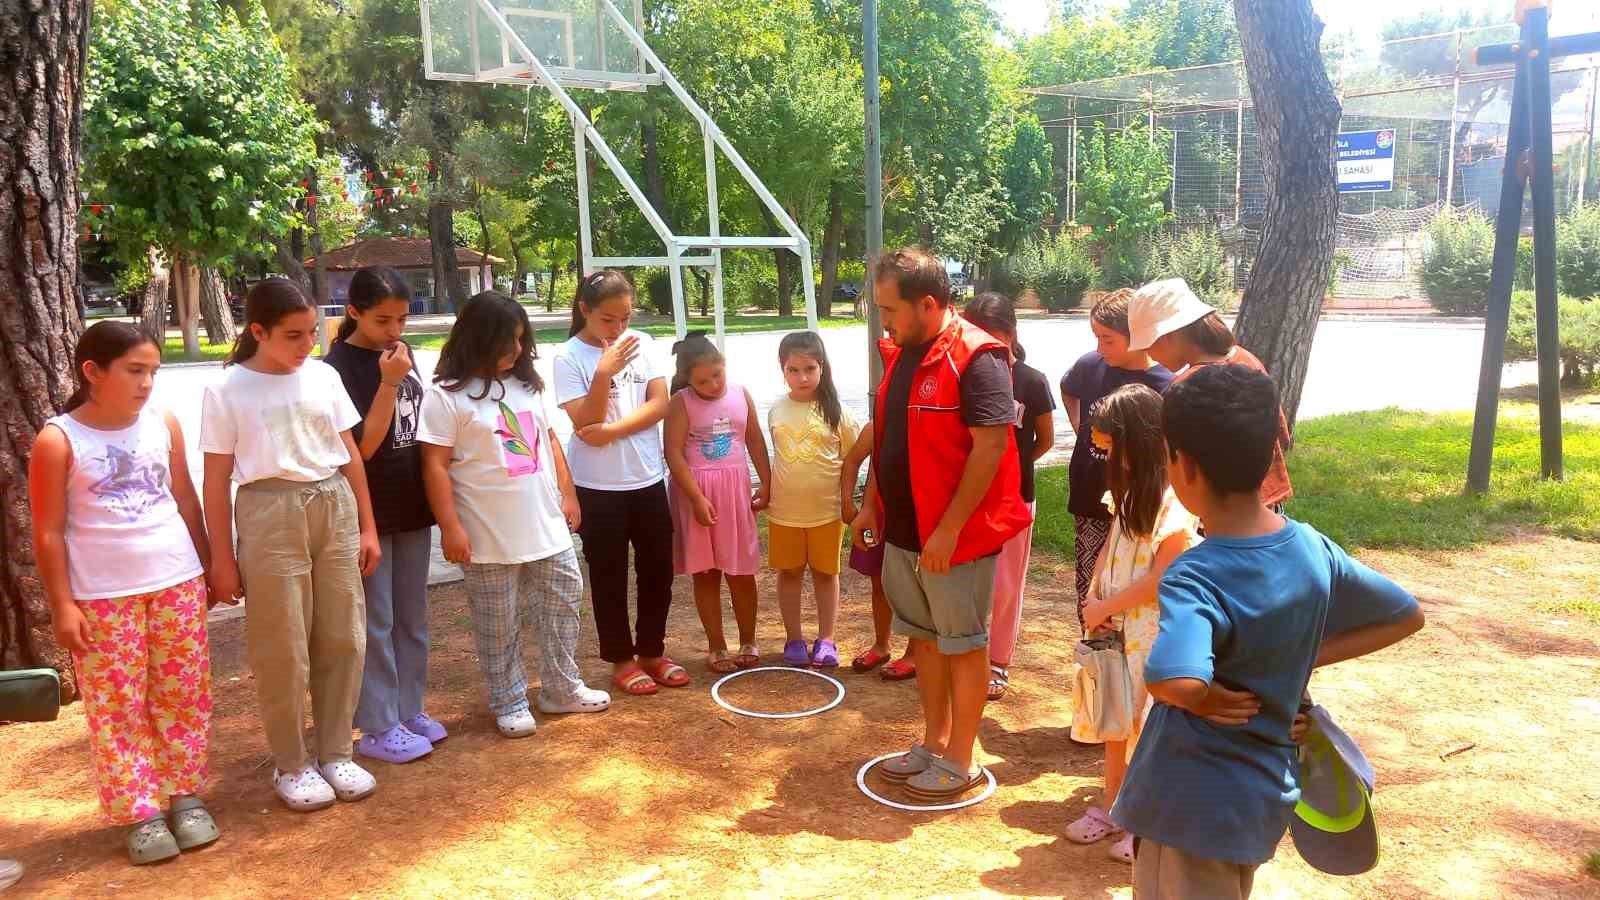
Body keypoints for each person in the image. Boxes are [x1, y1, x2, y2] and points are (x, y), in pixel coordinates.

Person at [1110, 365, 1425, 898]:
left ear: (1182, 466)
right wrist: (1298, 656)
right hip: (1260, 795)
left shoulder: (1196, 571)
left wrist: (1203, 699)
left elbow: (1171, 677)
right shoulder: (1311, 546)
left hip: (1188, 806)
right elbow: (1405, 614)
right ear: (1268, 456)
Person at [29, 322, 220, 864]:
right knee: (118, 707)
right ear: (93, 372)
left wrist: (207, 565)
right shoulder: (59, 438)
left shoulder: (163, 423)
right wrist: (63, 605)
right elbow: (47, 531)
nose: (146, 384)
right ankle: (138, 808)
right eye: (134, 371)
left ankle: (185, 794)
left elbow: (184, 497)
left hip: (175, 581)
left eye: (153, 372)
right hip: (101, 596)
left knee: (182, 695)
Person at [850, 247, 1031, 801]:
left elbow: (992, 446)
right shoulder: (902, 350)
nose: (883, 320)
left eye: (888, 309)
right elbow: (891, 440)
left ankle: (963, 757)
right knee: (925, 642)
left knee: (962, 644)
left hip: (955, 539)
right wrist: (869, 503)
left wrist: (950, 529)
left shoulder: (978, 358)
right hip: (905, 532)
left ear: (927, 304)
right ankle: (934, 741)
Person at [201, 278, 382, 812]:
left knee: (344, 635)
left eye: (311, 333)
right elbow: (215, 480)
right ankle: (292, 763)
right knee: (283, 645)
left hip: (333, 504)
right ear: (258, 331)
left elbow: (349, 454)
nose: (306, 346)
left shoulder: (323, 375)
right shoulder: (227, 389)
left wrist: (367, 526)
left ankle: (334, 751)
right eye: (293, 336)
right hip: (268, 510)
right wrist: (221, 558)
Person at [419, 291, 609, 738]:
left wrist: (568, 494)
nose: (516, 351)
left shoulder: (528, 385)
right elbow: (433, 466)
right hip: (486, 533)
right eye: (506, 342)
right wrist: (450, 527)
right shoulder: (447, 397)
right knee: (496, 620)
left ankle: (561, 689)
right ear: (476, 339)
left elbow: (550, 441)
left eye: (522, 341)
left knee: (563, 600)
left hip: (544, 523)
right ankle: (508, 698)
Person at [1063, 384, 1200, 865]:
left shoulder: (1174, 508)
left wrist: (1106, 607)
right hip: (1116, 631)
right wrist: (1094, 596)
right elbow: (1110, 547)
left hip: (1150, 637)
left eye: (1110, 447)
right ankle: (1113, 805)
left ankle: (1145, 820)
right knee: (1116, 719)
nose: (1106, 458)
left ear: (1137, 442)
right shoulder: (1126, 495)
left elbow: (1164, 579)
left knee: (1145, 725)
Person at [324, 266, 445, 764]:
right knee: (376, 619)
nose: (394, 332)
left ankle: (407, 707)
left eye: (401, 319)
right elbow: (363, 448)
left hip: (411, 501)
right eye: (382, 321)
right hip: (369, 507)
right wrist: (389, 384)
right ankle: (376, 724)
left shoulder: (400, 355)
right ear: (353, 312)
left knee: (411, 617)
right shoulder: (338, 368)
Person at [554, 271, 684, 696]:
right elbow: (582, 419)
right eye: (609, 319)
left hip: (646, 477)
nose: (619, 328)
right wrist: (604, 373)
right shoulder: (568, 357)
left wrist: (611, 432)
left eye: (626, 317)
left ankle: (651, 652)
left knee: (657, 570)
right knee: (608, 576)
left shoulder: (643, 344)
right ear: (584, 311)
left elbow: (661, 404)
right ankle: (621, 660)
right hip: (597, 486)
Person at [1126, 278, 1293, 510]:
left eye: (1147, 347)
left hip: (1218, 514)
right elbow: (1281, 435)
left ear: (1167, 336)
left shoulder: (1186, 388)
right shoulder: (1246, 359)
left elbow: (1177, 462)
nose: (1150, 356)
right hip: (1263, 505)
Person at [1060, 290, 1173, 632]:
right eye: (1096, 338)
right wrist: (1084, 430)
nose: (1099, 349)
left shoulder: (1165, 384)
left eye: (1107, 340)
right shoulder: (1090, 366)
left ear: (1138, 336)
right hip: (1091, 498)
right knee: (1090, 588)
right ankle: (1094, 660)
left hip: (1139, 509)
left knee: (1130, 589)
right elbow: (1069, 388)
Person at [961, 293, 1055, 701]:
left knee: (1006, 583)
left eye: (994, 336)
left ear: (1011, 334)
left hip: (1015, 498)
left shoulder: (1030, 381)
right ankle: (965, 654)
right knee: (967, 581)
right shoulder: (965, 375)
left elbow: (1045, 440)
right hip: (970, 496)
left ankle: (998, 659)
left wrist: (1010, 470)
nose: (986, 345)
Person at [663, 334, 771, 672]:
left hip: (735, 494)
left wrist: (767, 482)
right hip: (697, 495)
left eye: (717, 375)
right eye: (701, 380)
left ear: (725, 366)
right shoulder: (681, 402)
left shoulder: (741, 394)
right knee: (706, 573)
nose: (711, 385)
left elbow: (754, 439)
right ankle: (716, 644)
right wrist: (695, 497)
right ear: (686, 379)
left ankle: (749, 639)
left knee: (741, 570)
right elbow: (673, 453)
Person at [768, 331, 861, 668]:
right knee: (789, 572)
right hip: (784, 512)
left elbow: (851, 461)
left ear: (822, 367)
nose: (802, 377)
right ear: (782, 369)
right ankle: (794, 639)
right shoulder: (777, 409)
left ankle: (827, 639)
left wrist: (849, 503)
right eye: (794, 369)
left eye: (809, 368)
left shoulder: (838, 413)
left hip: (826, 512)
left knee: (825, 574)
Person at [840, 423, 915, 681]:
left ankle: (914, 653)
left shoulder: (925, 417)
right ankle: (881, 645)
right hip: (878, 515)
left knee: (916, 585)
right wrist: (848, 503)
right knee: (879, 580)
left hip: (917, 514)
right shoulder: (877, 425)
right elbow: (852, 461)